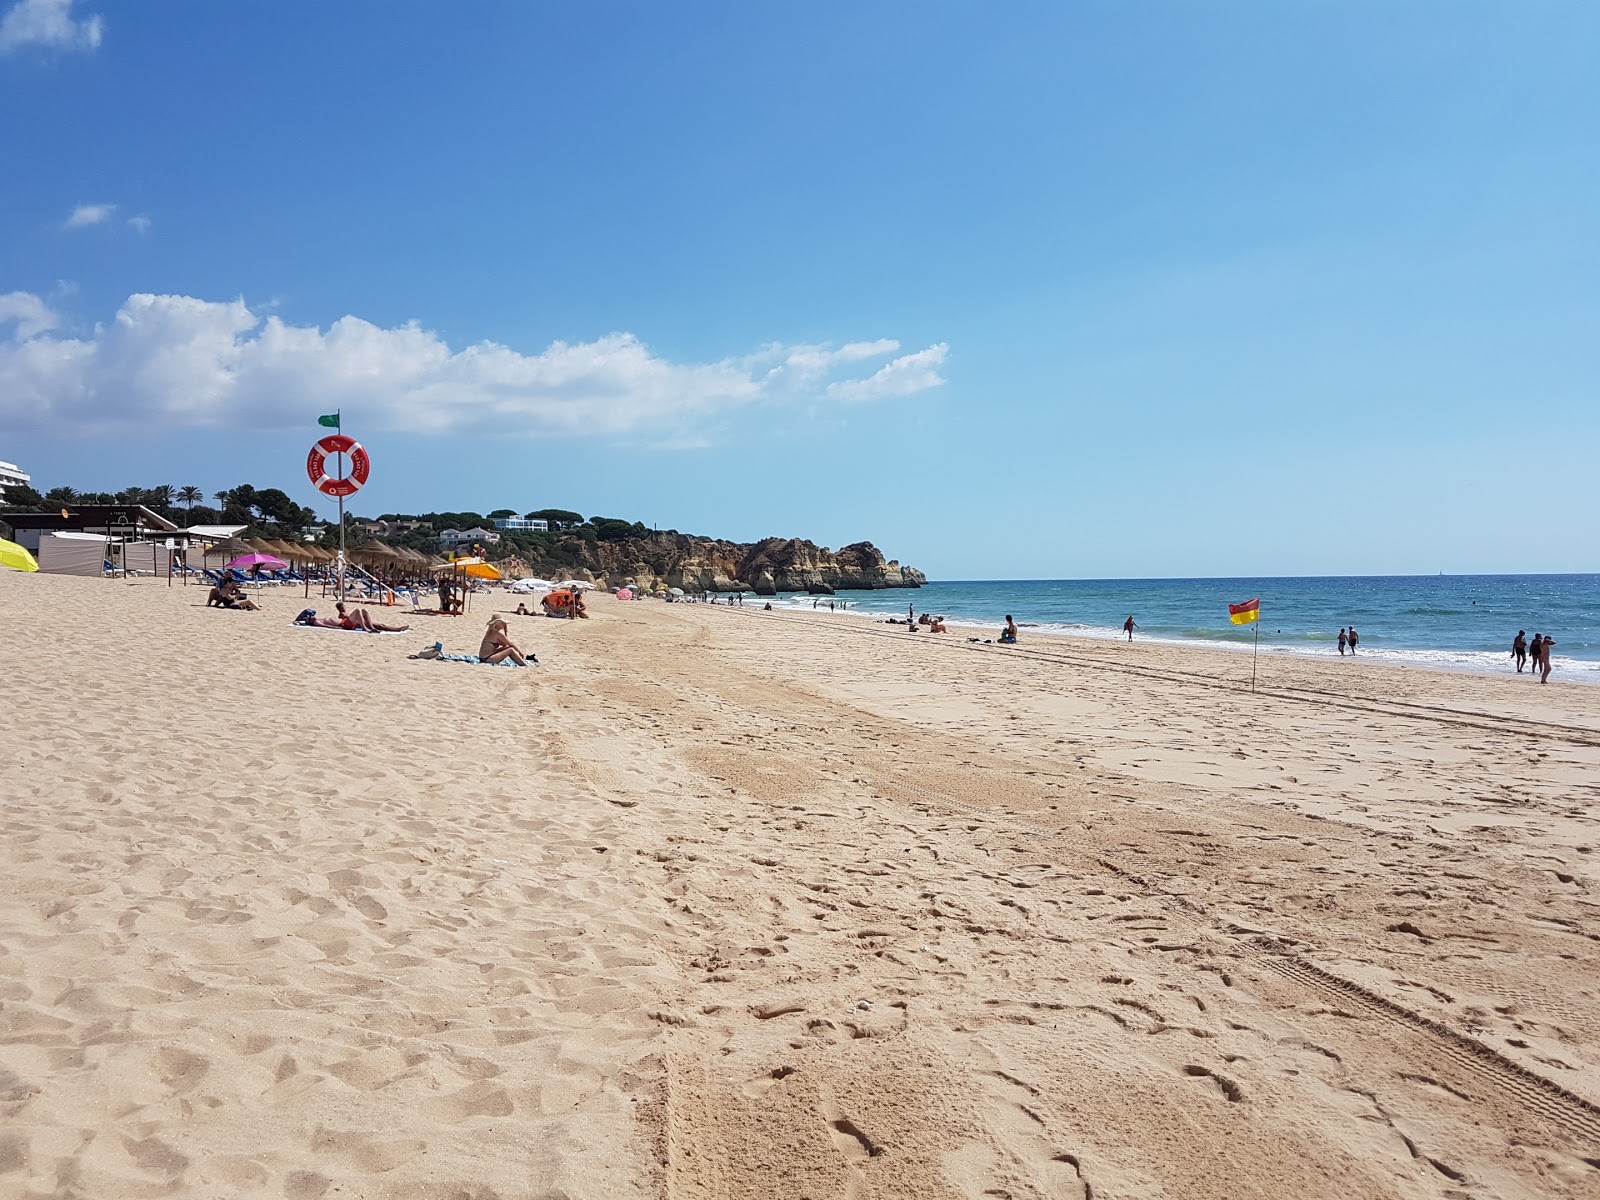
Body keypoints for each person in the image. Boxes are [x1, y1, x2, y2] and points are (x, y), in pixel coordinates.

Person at [335, 602, 410, 632]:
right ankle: (398, 629)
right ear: (341, 607)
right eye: (344, 606)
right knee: (381, 626)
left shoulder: (344, 613)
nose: (345, 607)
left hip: (360, 623)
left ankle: (398, 628)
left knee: (381, 625)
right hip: (358, 625)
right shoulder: (342, 614)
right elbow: (347, 622)